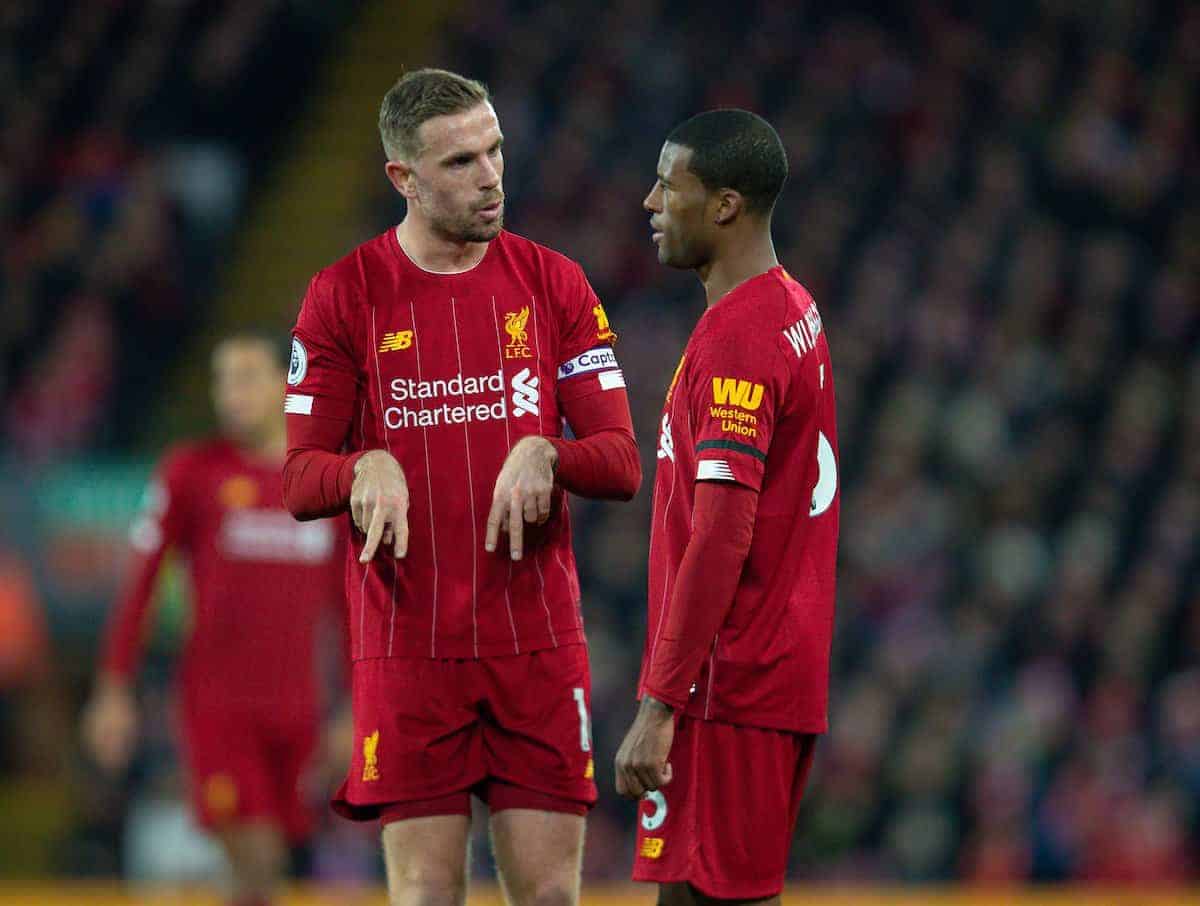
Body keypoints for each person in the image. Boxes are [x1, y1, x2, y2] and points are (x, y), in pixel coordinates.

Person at [281, 68, 640, 906]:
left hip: (537, 645)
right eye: (460, 163)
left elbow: (621, 459)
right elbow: (300, 480)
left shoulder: (554, 284)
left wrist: (551, 453)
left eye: (496, 151)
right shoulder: (343, 297)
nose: (490, 177)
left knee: (550, 899)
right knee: (427, 898)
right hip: (409, 649)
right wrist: (360, 466)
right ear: (402, 178)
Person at [614, 110, 841, 904]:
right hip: (766, 679)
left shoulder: (739, 340)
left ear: (723, 205)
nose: (649, 201)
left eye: (668, 185)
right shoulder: (791, 308)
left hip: (730, 689)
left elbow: (720, 535)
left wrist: (659, 700)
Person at [82, 332, 349, 906]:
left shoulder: (325, 485)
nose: (231, 394)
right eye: (222, 379)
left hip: (299, 712)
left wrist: (355, 707)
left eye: (247, 377)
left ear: (287, 383)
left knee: (270, 870)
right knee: (254, 860)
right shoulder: (190, 473)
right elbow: (141, 586)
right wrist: (113, 686)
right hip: (219, 709)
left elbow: (350, 609)